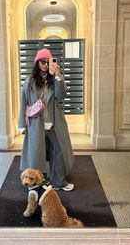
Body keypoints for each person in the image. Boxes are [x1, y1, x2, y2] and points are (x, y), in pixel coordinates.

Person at [19, 48, 74, 191]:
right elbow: (23, 103)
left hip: (54, 123)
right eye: (42, 61)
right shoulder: (29, 81)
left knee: (58, 152)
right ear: (37, 63)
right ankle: (36, 181)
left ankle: (58, 182)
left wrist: (57, 75)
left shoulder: (54, 79)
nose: (44, 64)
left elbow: (62, 95)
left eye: (47, 61)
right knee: (36, 154)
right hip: (36, 124)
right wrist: (21, 124)